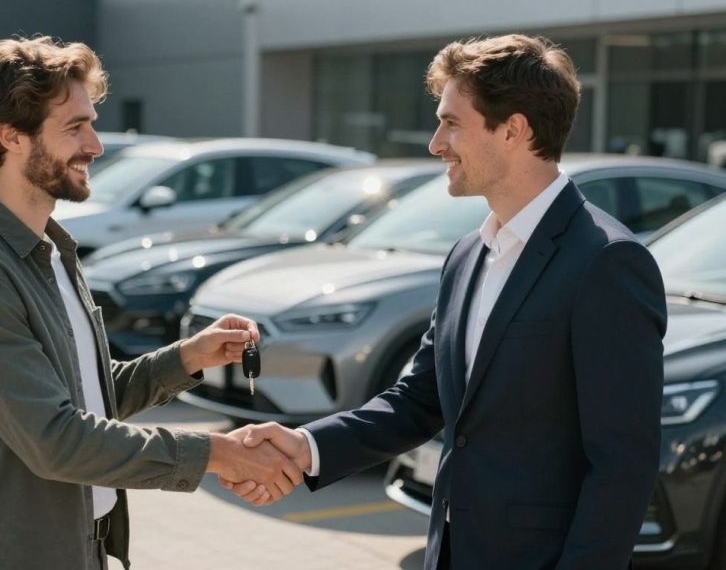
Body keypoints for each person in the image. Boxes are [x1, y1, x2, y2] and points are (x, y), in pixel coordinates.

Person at [228, 34, 667, 570]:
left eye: (452, 123)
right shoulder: (466, 255)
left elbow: (624, 465)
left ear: (514, 130)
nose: (437, 143)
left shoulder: (607, 262)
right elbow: (419, 401)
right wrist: (306, 447)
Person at [0, 36, 301, 570]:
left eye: (91, 123)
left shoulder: (49, 249)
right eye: (74, 128)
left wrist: (186, 358)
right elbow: (57, 439)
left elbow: (83, 400)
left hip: (78, 549)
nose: (95, 145)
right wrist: (220, 454)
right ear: (10, 136)